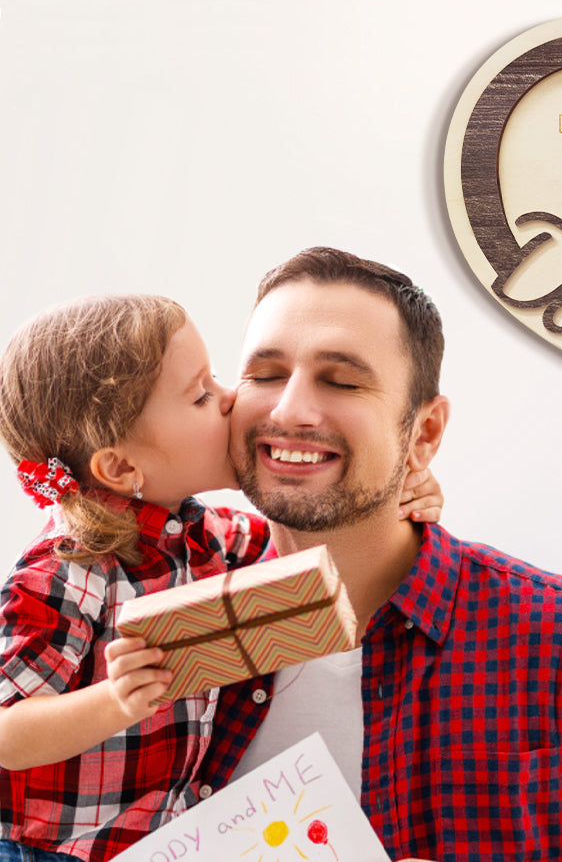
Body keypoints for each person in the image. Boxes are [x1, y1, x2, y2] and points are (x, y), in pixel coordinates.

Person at [198, 247, 562, 862]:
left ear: (424, 433)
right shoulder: (158, 609)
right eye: (265, 374)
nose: (288, 409)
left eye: (342, 381)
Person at [0, 293, 441, 862]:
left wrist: (402, 490)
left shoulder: (199, 532)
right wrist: (116, 701)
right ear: (123, 467)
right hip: (46, 850)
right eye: (201, 394)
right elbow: (7, 733)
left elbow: (304, 540)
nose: (231, 397)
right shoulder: (69, 569)